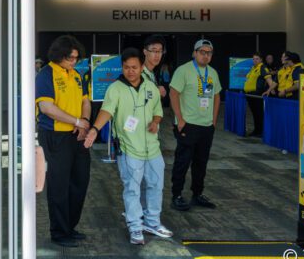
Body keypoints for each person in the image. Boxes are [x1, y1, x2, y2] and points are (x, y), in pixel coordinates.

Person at [84, 48, 173, 245]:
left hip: (152, 148)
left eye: (134, 67)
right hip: (128, 148)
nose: (130, 71)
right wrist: (94, 129)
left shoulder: (150, 87)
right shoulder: (115, 88)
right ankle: (135, 226)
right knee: (132, 188)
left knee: (156, 185)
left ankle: (152, 222)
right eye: (126, 67)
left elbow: (158, 111)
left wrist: (156, 122)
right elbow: (106, 111)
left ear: (142, 67)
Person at [35, 35, 92, 248]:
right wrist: (76, 121)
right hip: (55, 135)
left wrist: (84, 122)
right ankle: (59, 232)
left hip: (77, 134)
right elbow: (47, 108)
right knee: (59, 185)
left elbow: (85, 101)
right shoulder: (46, 74)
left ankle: (70, 226)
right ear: (59, 55)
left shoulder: (77, 75)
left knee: (79, 181)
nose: (74, 61)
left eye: (76, 58)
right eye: (70, 58)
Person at [169, 39, 221, 211]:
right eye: (202, 52)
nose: (206, 55)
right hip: (188, 125)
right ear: (194, 53)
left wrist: (213, 121)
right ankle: (176, 195)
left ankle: (197, 194)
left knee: (201, 162)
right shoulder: (183, 70)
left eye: (209, 53)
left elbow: (216, 96)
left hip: (206, 127)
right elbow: (174, 94)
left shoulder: (212, 73)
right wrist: (180, 120)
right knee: (182, 161)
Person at [242, 53, 265, 137]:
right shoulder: (252, 68)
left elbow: (267, 78)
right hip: (250, 95)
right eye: (254, 59)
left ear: (261, 59)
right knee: (255, 114)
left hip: (257, 95)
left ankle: (260, 132)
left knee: (259, 114)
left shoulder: (262, 68)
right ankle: (256, 130)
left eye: (257, 59)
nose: (255, 60)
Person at [142, 35, 168, 100]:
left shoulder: (151, 73)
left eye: (160, 51)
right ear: (145, 52)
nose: (157, 55)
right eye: (154, 51)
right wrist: (156, 91)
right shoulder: (137, 72)